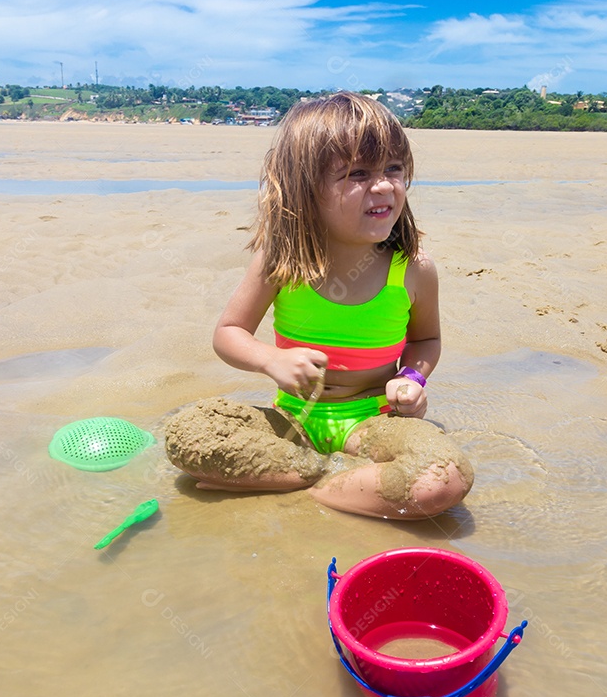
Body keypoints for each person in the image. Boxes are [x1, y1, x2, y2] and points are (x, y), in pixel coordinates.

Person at [164, 92, 473, 520]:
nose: (383, 185)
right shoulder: (281, 261)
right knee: (189, 434)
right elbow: (228, 334)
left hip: (372, 421)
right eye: (358, 173)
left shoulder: (414, 269)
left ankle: (305, 485)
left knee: (442, 482)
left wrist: (412, 378)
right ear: (305, 190)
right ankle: (331, 478)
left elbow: (427, 339)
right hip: (291, 421)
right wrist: (271, 360)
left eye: (393, 169)